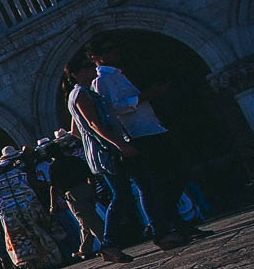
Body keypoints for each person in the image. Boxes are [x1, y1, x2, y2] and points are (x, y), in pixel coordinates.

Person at [71, 53, 207, 250]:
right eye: (86, 66)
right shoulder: (85, 92)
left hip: (113, 147)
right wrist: (117, 143)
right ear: (75, 73)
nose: (91, 68)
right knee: (129, 193)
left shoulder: (86, 92)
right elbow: (94, 123)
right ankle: (122, 241)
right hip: (112, 150)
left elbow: (77, 130)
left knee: (140, 188)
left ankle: (159, 230)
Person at [48, 132, 132, 263]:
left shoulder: (54, 167)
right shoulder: (75, 160)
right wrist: (92, 191)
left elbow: (54, 187)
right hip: (86, 189)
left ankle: (111, 249)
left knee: (93, 222)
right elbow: (90, 176)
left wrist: (53, 206)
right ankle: (84, 249)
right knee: (86, 222)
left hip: (73, 195)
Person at [0, 146, 66, 269]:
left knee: (21, 239)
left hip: (9, 212)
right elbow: (31, 184)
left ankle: (32, 265)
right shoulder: (19, 171)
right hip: (27, 205)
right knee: (39, 232)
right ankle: (50, 260)